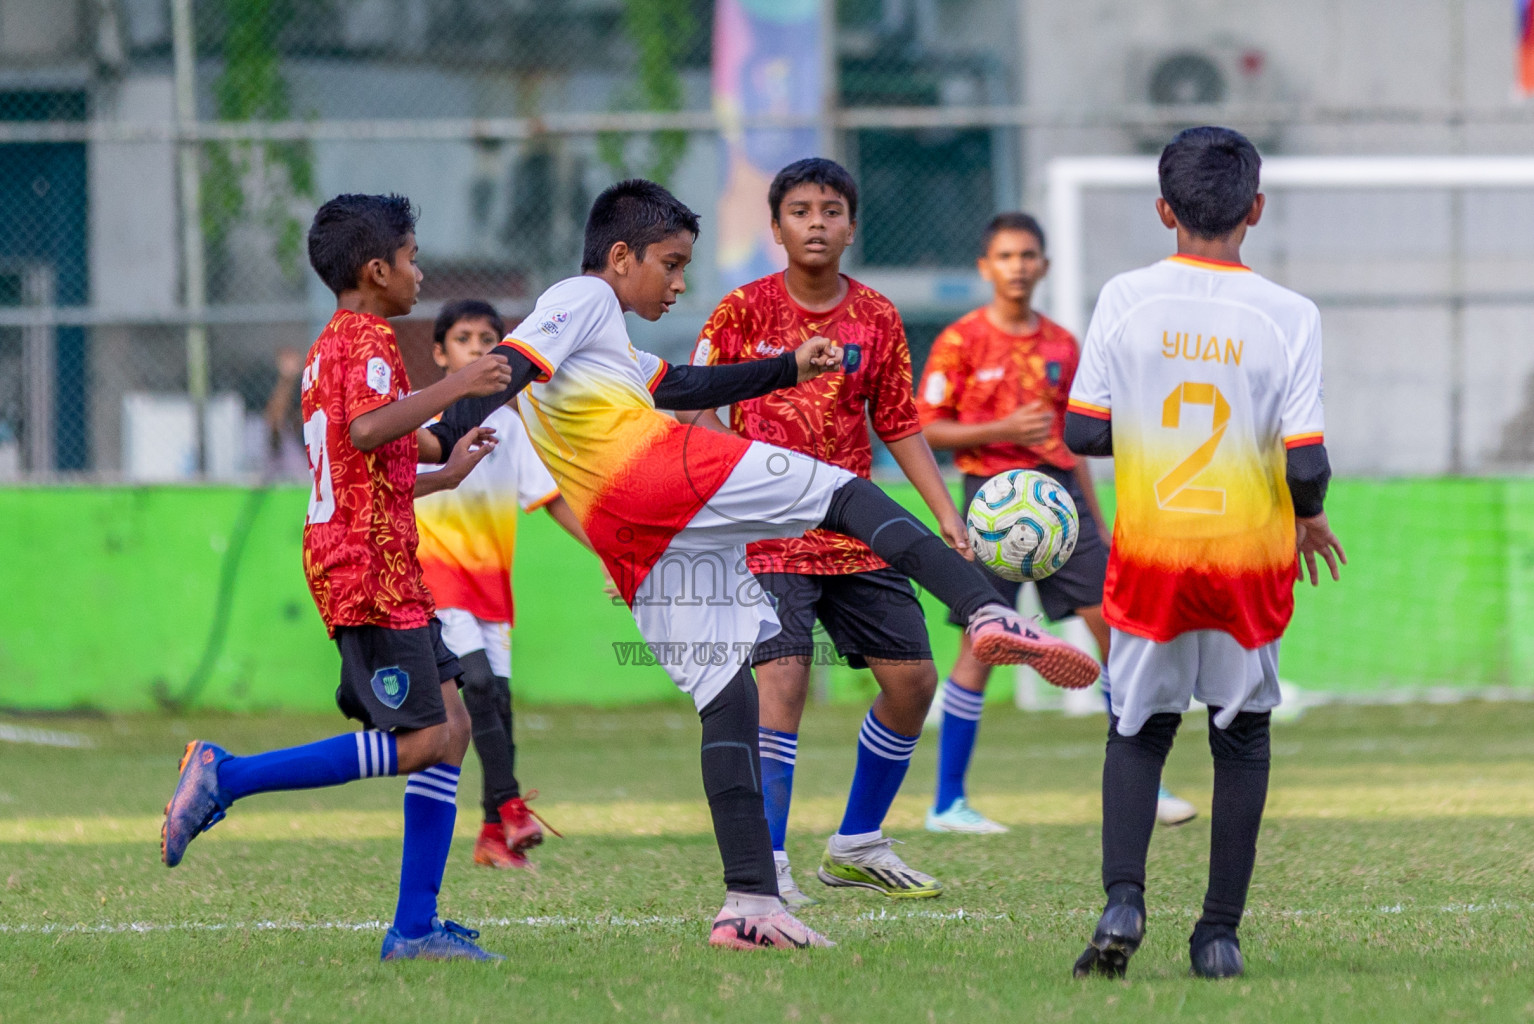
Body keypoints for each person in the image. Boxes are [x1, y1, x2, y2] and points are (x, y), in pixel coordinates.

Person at [424, 178, 1100, 950]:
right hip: (655, 471)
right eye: (671, 264)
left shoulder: (606, 336)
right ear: (620, 257)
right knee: (845, 491)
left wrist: (785, 369)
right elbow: (507, 366)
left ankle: (750, 905)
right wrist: (441, 435)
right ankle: (986, 608)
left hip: (633, 540)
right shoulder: (580, 297)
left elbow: (679, 383)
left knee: (726, 696)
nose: (679, 282)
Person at [160, 193, 516, 963]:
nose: (422, 274)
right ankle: (228, 776)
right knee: (422, 741)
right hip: (366, 573)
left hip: (381, 561)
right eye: (415, 259)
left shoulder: (338, 344)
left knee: (450, 733)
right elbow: (365, 430)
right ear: (377, 269)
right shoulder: (369, 341)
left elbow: (372, 455)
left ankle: (415, 931)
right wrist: (459, 384)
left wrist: (445, 466)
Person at [1064, 128, 1344, 981]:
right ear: (1254, 211)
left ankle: (1122, 900)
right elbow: (1308, 461)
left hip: (1152, 557)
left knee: (1137, 729)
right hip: (1245, 562)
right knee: (1243, 737)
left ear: (1164, 210)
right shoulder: (1290, 314)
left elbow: (1082, 429)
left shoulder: (1124, 297)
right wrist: (1310, 517)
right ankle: (1217, 935)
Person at [679, 157, 977, 905]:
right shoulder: (739, 312)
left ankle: (858, 841)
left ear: (851, 225)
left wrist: (944, 515)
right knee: (781, 681)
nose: (817, 222)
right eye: (801, 210)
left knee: (913, 681)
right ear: (776, 227)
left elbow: (899, 423)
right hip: (766, 531)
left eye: (832, 210)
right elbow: (695, 408)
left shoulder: (876, 316)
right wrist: (722, 484)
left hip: (854, 526)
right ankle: (769, 864)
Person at [915, 212, 1197, 835]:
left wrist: (1102, 526)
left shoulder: (1063, 346)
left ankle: (1144, 786)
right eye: (1005, 256)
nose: (1017, 266)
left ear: (1043, 266)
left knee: (1116, 637)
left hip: (1064, 507)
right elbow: (924, 426)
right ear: (986, 268)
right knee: (978, 647)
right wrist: (1001, 431)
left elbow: (1077, 442)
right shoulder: (961, 342)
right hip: (991, 505)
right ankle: (948, 804)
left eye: (1028, 255)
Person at [415, 299, 594, 871]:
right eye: (462, 338)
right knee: (479, 683)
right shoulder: (419, 425)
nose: (475, 346)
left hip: (490, 584)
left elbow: (551, 502)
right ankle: (512, 805)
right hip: (437, 577)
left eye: (487, 338)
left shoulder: (510, 426)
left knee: (500, 705)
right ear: (441, 353)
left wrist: (613, 555)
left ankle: (493, 833)